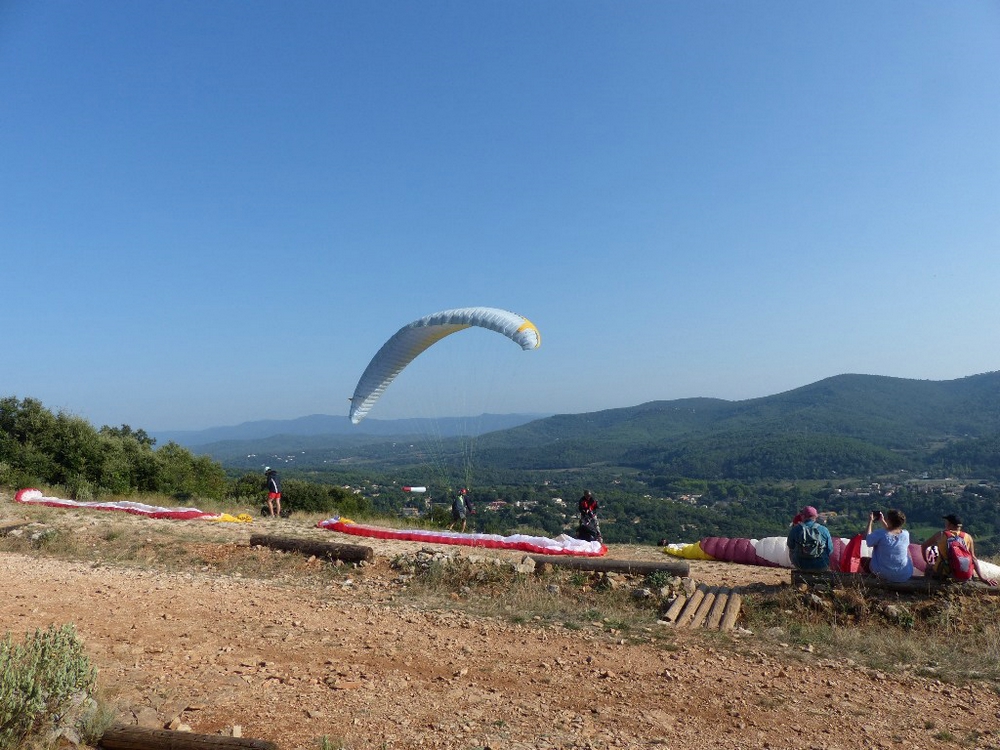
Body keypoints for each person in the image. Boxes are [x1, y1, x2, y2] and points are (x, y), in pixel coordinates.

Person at [921, 514, 997, 586]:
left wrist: (927, 562)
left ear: (950, 525)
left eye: (946, 523)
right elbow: (973, 558)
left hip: (943, 573)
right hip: (962, 574)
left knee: (929, 569)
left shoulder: (941, 535)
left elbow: (924, 546)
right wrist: (982, 578)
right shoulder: (967, 537)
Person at [862, 509, 914, 582]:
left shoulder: (880, 533)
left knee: (863, 560)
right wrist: (882, 521)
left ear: (889, 520)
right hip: (904, 574)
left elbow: (869, 541)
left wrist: (870, 521)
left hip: (883, 574)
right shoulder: (905, 534)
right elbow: (890, 532)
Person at [786, 505, 833, 570]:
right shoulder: (824, 530)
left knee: (791, 549)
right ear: (815, 517)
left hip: (800, 565)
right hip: (821, 565)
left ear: (803, 516)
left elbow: (790, 545)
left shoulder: (795, 529)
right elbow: (830, 550)